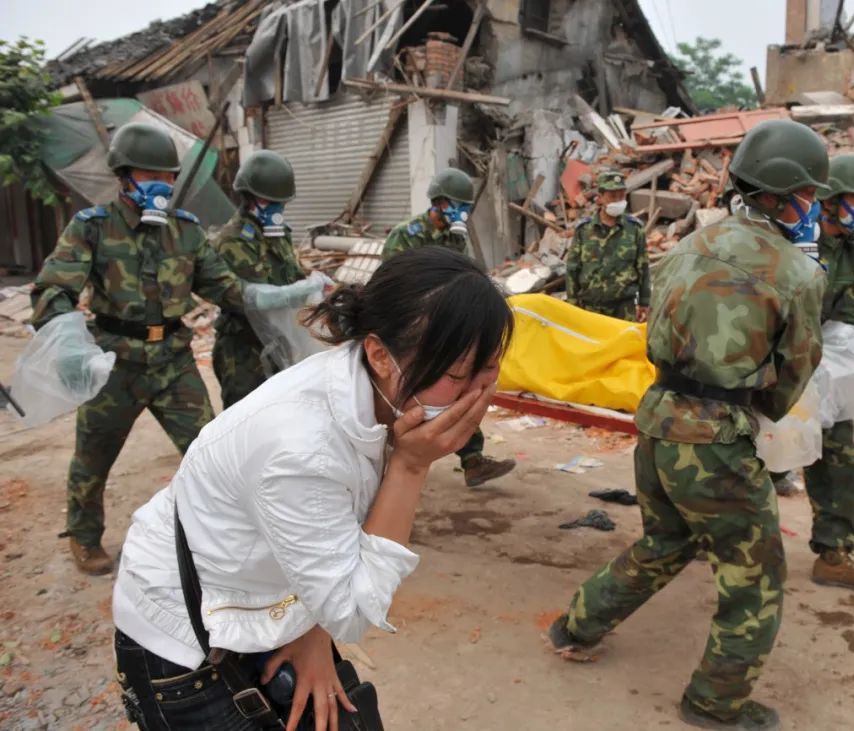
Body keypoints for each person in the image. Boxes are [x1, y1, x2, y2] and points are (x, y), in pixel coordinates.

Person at [112, 246, 513, 731]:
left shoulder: (377, 396)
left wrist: (312, 633)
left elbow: (338, 546)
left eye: (491, 368)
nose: (480, 391)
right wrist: (411, 467)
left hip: (268, 595)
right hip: (186, 635)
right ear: (380, 354)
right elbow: (353, 608)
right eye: (457, 375)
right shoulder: (303, 448)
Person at [547, 119, 829, 731]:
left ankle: (576, 625)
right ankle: (716, 701)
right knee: (754, 576)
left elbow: (652, 335)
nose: (815, 209)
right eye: (811, 196)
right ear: (783, 196)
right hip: (716, 440)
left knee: (666, 541)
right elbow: (797, 367)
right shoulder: (798, 272)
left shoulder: (687, 245)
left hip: (655, 422)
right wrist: (761, 408)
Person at [30, 123, 323, 576]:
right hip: (114, 361)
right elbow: (53, 290)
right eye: (150, 176)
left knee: (210, 450)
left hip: (173, 359)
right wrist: (70, 344)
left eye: (167, 177)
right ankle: (84, 537)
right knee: (93, 456)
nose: (161, 186)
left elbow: (230, 291)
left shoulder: (186, 233)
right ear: (123, 177)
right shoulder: (93, 227)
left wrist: (285, 295)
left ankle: (222, 531)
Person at [381, 167, 515, 488]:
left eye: (466, 208)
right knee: (404, 398)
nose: (462, 213)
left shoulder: (457, 238)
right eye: (457, 205)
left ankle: (473, 460)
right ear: (438, 203)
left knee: (461, 390)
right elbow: (391, 284)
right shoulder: (406, 236)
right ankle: (387, 462)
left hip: (447, 329)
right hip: (413, 330)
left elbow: (463, 276)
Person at [801, 153, 854, 594]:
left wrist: (828, 376)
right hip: (773, 359)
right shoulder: (799, 241)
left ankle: (834, 553)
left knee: (838, 450)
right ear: (832, 200)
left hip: (819, 362)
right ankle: (709, 533)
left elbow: (850, 320)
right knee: (745, 448)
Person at [211, 150, 306, 408]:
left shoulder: (280, 235)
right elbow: (246, 299)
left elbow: (293, 275)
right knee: (243, 416)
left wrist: (313, 286)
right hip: (243, 349)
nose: (277, 208)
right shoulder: (230, 240)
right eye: (270, 201)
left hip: (279, 342)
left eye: (282, 203)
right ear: (249, 198)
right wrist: (294, 293)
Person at [565, 170, 650, 322]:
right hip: (591, 308)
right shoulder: (584, 230)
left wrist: (644, 302)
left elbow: (643, 267)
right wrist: (572, 302)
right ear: (600, 198)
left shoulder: (635, 230)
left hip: (624, 308)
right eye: (612, 196)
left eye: (621, 195)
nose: (618, 201)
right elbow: (572, 268)